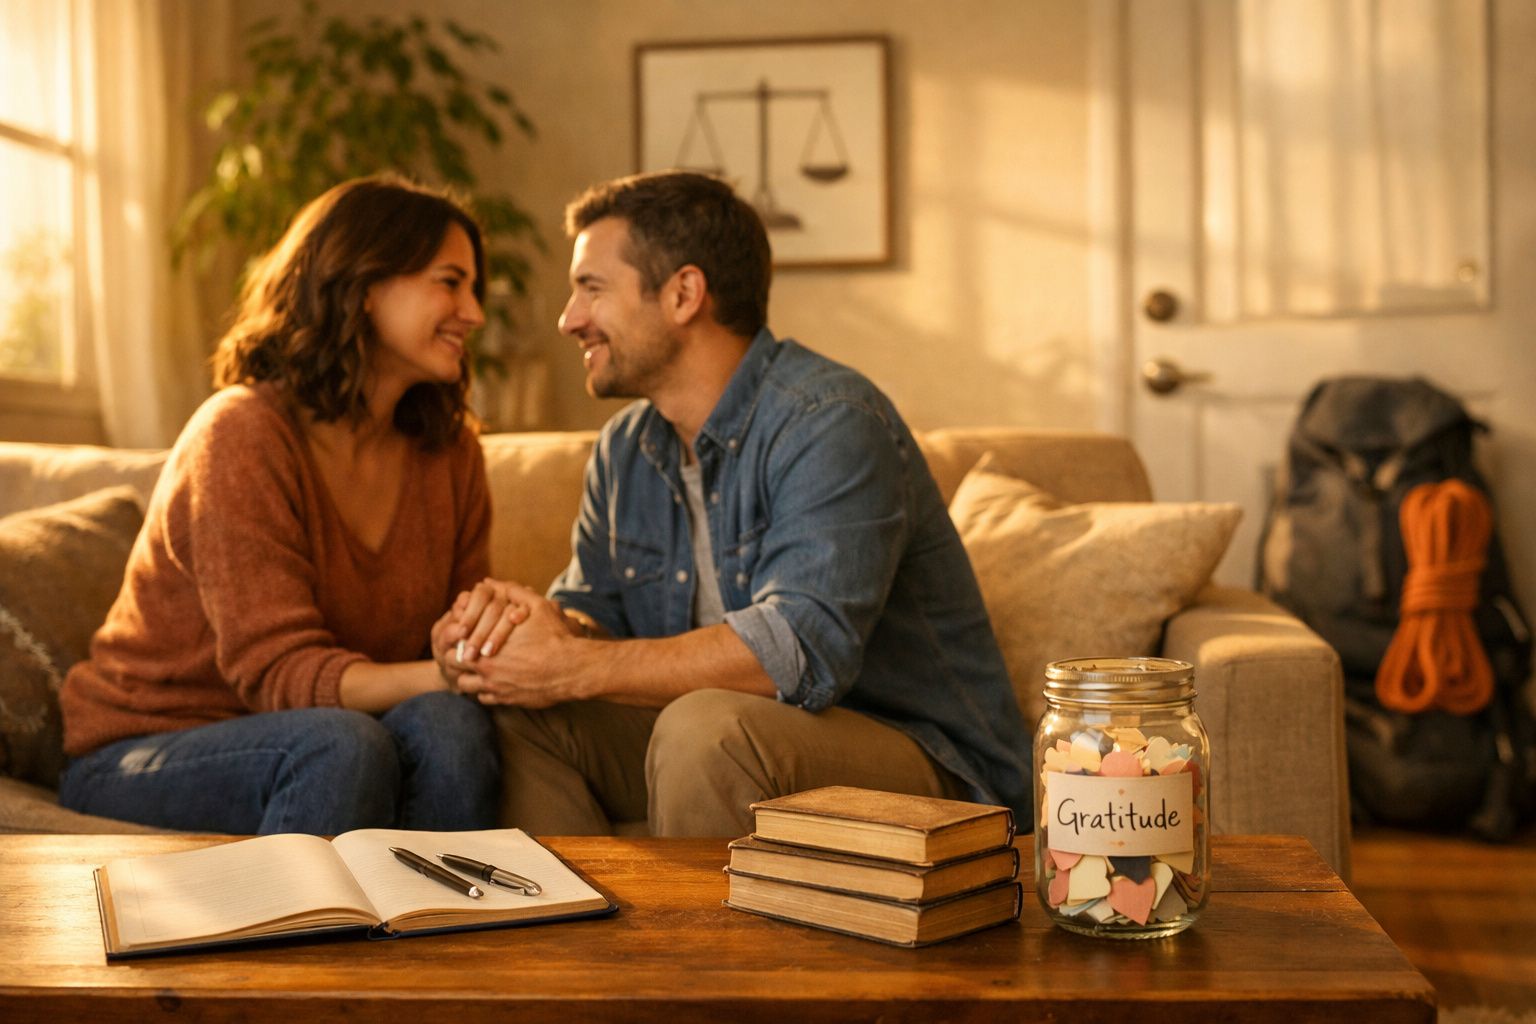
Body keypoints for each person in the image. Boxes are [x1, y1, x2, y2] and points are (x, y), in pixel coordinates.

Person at [451, 170, 1031, 836]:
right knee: (523, 711)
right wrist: (514, 636)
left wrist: (574, 667)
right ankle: (572, 935)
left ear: (683, 294)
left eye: (591, 289)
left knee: (708, 728)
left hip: (925, 760)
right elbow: (596, 612)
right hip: (728, 735)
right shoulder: (625, 449)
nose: (568, 319)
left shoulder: (830, 421)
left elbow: (796, 651)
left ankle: (703, 945)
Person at [57, 175, 504, 835]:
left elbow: (461, 633)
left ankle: (438, 934)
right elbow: (277, 674)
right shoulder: (239, 434)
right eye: (450, 282)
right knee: (342, 747)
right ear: (364, 286)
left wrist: (495, 639)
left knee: (450, 725)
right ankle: (297, 937)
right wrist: (455, 672)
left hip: (334, 728)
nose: (474, 313)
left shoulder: (449, 451)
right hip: (149, 743)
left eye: (473, 289)